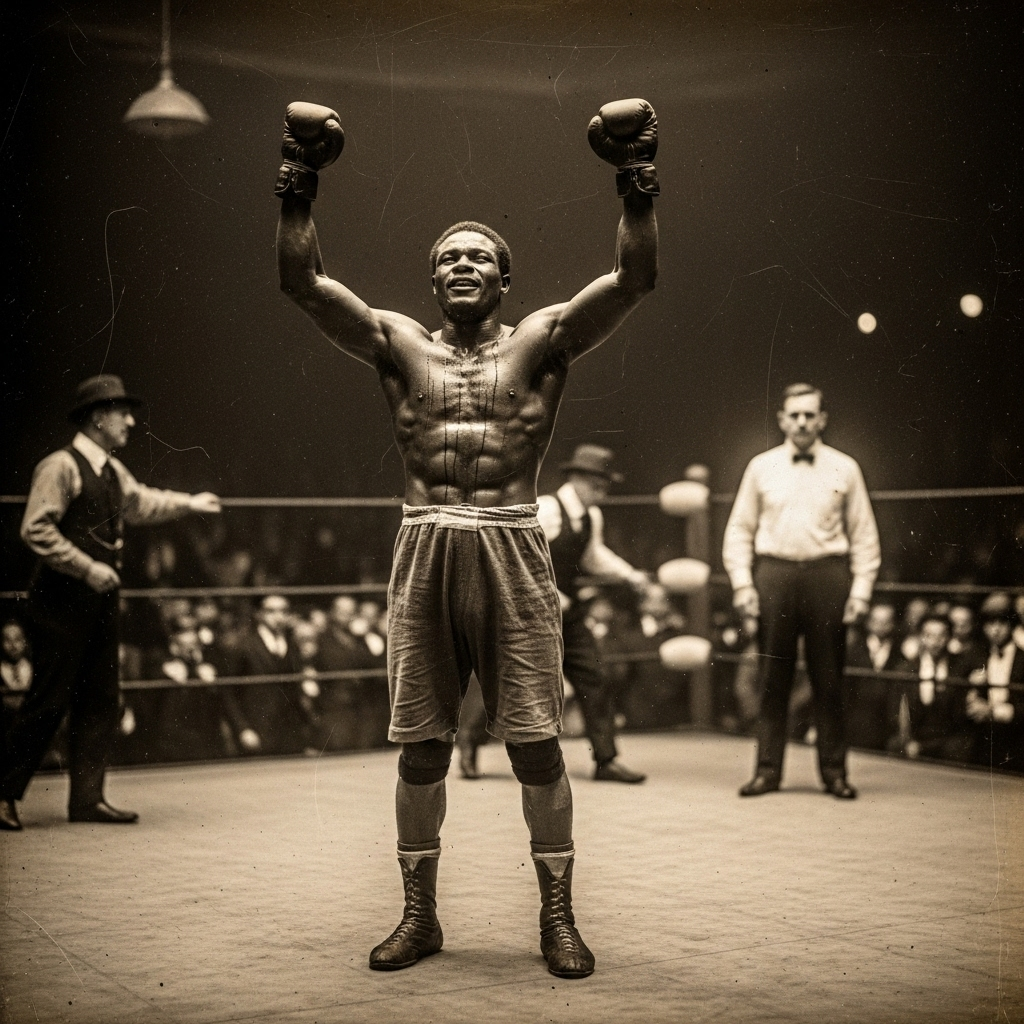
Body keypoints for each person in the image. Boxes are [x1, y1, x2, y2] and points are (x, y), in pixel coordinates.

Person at [275, 97, 658, 977]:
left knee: (533, 742)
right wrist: (299, 183)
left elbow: (632, 281)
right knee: (419, 744)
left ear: (505, 279)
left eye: (478, 255)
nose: (459, 263)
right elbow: (304, 285)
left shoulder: (542, 341)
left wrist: (634, 183)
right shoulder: (399, 344)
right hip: (424, 544)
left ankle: (557, 918)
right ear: (432, 277)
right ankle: (420, 917)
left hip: (514, 541)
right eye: (446, 256)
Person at [0, 374, 221, 831]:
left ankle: (87, 798)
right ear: (98, 418)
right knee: (48, 698)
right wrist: (87, 567)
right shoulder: (60, 466)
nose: (131, 422)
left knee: (101, 698)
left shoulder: (111, 470)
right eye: (122, 413)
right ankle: (2, 793)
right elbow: (35, 528)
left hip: (99, 602)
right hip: (61, 601)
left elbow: (141, 503)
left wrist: (190, 503)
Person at [457, 444, 653, 784]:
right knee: (510, 683)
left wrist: (630, 574)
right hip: (529, 613)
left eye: (606, 486)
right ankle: (470, 743)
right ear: (578, 479)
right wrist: (547, 594)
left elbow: (592, 556)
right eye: (597, 484)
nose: (602, 492)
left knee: (594, 675)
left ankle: (606, 760)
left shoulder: (592, 516)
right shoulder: (546, 510)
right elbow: (515, 558)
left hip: (567, 613)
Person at [722, 383, 881, 799]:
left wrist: (861, 591)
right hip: (774, 574)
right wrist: (742, 583)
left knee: (829, 678)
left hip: (828, 576)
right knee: (772, 676)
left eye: (810, 414)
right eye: (794, 415)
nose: (802, 422)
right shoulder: (760, 467)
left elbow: (864, 534)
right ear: (782, 420)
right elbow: (739, 528)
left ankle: (834, 773)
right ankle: (767, 771)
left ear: (822, 419)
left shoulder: (845, 468)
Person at [891, 612, 974, 763]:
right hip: (916, 737)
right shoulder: (906, 669)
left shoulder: (962, 668)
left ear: (949, 637)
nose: (935, 642)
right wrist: (909, 741)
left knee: (959, 748)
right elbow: (896, 713)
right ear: (921, 637)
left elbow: (961, 719)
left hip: (948, 740)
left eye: (941, 636)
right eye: (929, 635)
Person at [966, 600, 1023, 772]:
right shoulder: (977, 657)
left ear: (1012, 626)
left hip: (1017, 733)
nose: (996, 629)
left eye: (1002, 623)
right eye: (991, 624)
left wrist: (994, 711)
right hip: (984, 734)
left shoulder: (1023, 659)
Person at [844, 602, 899, 750]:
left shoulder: (899, 655)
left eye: (886, 621)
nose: (881, 626)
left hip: (884, 725)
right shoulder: (853, 653)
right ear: (869, 623)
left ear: (893, 624)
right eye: (876, 621)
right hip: (855, 723)